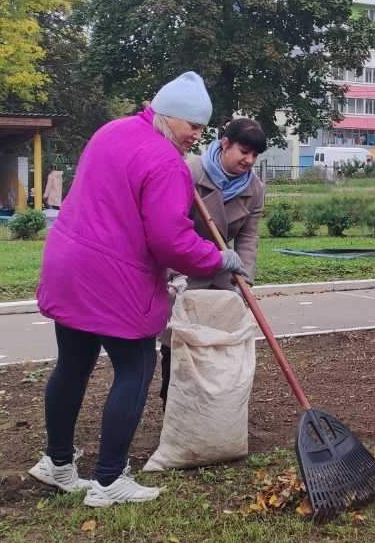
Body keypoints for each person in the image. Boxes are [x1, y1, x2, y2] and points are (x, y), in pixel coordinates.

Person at [30, 72, 249, 507]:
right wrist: (217, 259)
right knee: (136, 367)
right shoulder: (166, 161)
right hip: (112, 275)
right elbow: (170, 239)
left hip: (69, 262)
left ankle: (57, 465)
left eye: (202, 130)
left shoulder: (112, 131)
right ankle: (109, 480)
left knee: (73, 363)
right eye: (193, 127)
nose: (195, 137)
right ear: (169, 117)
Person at [159, 117, 267, 404]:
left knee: (218, 346)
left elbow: (247, 238)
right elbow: (170, 228)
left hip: (223, 275)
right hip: (183, 272)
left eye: (254, 155)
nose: (249, 160)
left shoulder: (254, 188)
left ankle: (215, 410)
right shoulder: (190, 173)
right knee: (180, 344)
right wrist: (178, 272)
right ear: (225, 144)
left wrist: (243, 279)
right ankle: (175, 407)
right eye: (244, 151)